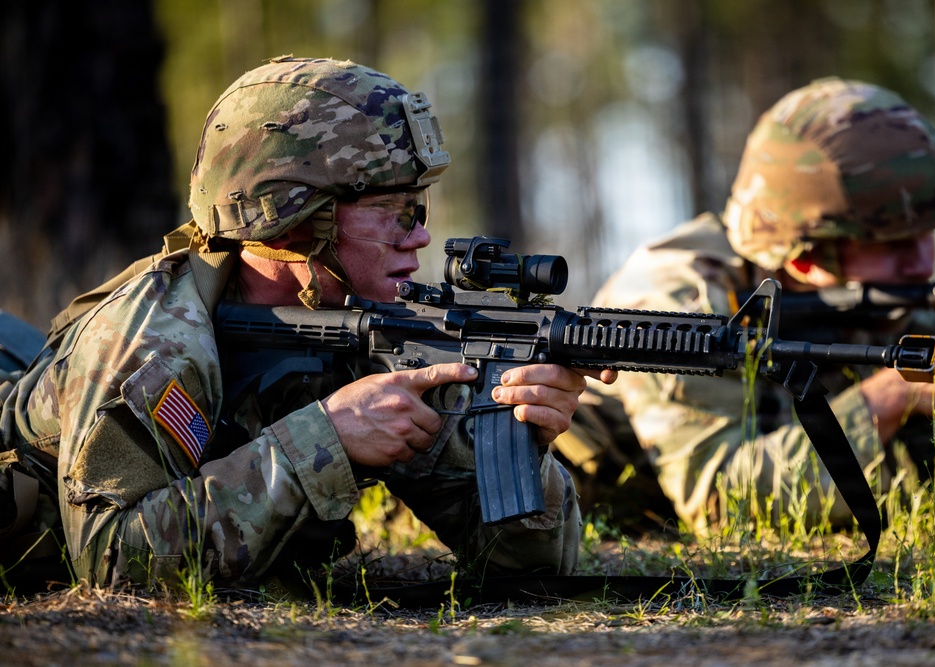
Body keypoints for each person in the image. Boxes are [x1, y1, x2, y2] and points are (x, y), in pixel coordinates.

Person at [0, 56, 614, 591]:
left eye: (419, 208)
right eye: (395, 211)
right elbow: (109, 563)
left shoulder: (373, 331)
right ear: (292, 222)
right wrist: (325, 440)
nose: (421, 234)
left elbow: (531, 568)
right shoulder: (152, 339)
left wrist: (524, 446)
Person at [554, 76, 935, 536]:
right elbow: (721, 501)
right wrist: (892, 396)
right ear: (807, 257)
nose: (924, 262)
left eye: (929, 234)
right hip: (595, 516)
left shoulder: (876, 292)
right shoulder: (679, 299)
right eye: (896, 244)